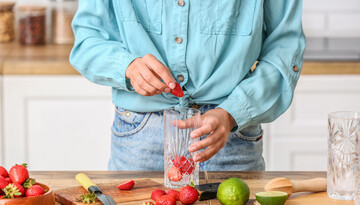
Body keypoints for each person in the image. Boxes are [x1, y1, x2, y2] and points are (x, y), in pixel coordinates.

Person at [70, 0, 305, 171]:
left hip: (230, 136)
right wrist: (128, 67)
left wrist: (234, 112)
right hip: (140, 139)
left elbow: (285, 45)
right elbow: (88, 39)